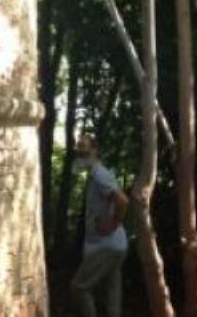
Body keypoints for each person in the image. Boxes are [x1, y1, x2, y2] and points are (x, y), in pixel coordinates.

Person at [70, 134, 130, 317]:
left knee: (79, 287)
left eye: (85, 152)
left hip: (106, 245)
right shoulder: (98, 173)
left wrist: (113, 224)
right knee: (112, 292)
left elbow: (123, 201)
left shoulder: (99, 174)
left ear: (95, 152)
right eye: (79, 153)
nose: (81, 156)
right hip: (116, 245)